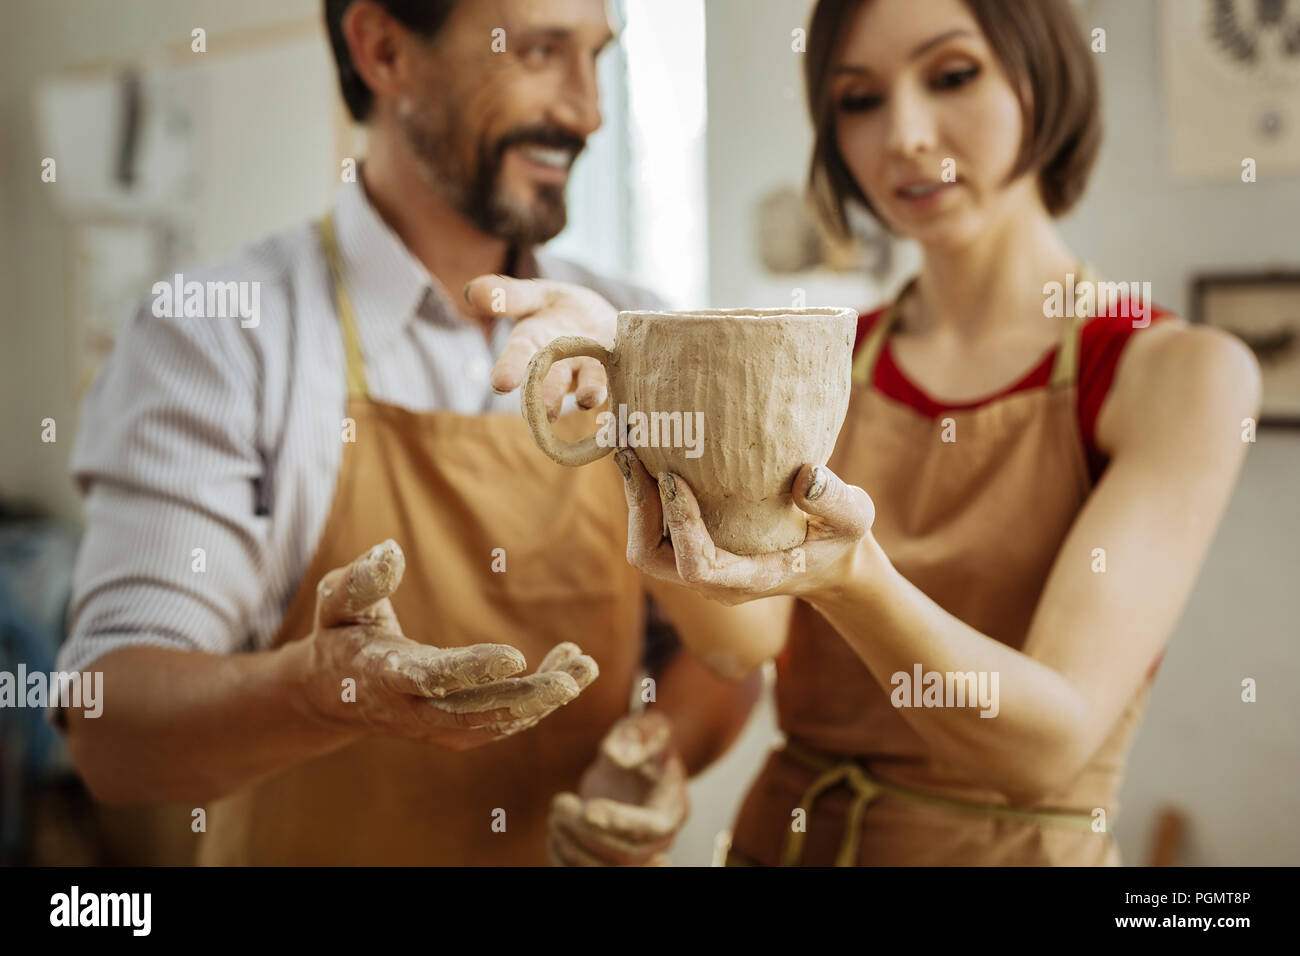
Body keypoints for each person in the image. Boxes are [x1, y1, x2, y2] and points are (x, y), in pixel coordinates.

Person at [499, 0, 1262, 865]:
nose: (903, 133)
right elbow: (742, 639)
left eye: (952, 75)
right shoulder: (820, 358)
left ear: (1043, 74)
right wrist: (627, 412)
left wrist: (855, 579)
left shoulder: (1177, 373)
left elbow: (1044, 749)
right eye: (859, 98)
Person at [53, 0, 761, 866]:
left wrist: (655, 755)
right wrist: (321, 693)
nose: (588, 110)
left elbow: (728, 651)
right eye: (539, 50)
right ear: (383, 49)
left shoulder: (636, 329)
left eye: (596, 56)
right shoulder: (215, 336)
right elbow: (109, 729)